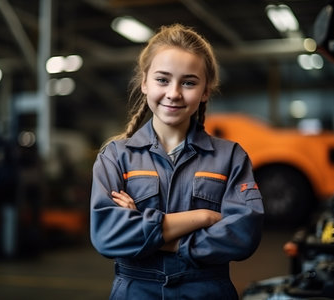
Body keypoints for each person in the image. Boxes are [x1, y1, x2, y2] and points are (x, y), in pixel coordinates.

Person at [90, 23, 264, 300]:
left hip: (206, 291)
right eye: (162, 80)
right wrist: (202, 217)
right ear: (144, 82)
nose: (174, 93)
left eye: (189, 82)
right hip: (136, 291)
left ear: (206, 90)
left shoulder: (230, 157)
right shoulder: (115, 156)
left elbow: (243, 235)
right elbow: (108, 235)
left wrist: (147, 231)